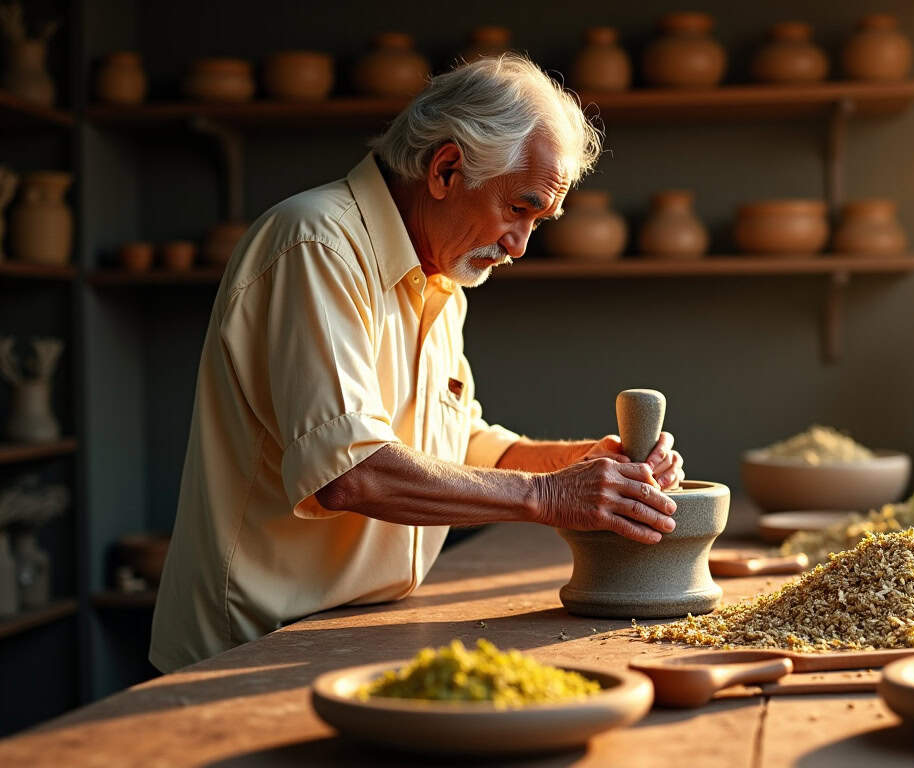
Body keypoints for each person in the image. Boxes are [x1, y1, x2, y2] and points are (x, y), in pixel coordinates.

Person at [150, 55, 684, 673]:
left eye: (540, 221)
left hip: (353, 634)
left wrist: (586, 465)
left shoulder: (440, 276)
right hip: (251, 645)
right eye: (518, 209)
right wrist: (550, 496)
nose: (520, 247)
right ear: (446, 168)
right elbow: (350, 472)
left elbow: (461, 446)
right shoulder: (316, 244)